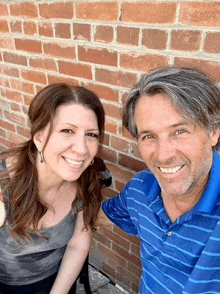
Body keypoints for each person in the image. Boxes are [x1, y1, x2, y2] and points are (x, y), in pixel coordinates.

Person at [98, 65, 220, 293]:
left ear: (213, 131)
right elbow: (96, 217)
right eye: (149, 136)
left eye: (180, 131)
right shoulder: (140, 188)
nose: (163, 155)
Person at [0, 83, 106, 294]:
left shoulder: (87, 180)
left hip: (53, 281)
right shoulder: (4, 180)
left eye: (91, 135)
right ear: (39, 138)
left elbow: (78, 245)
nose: (82, 148)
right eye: (67, 130)